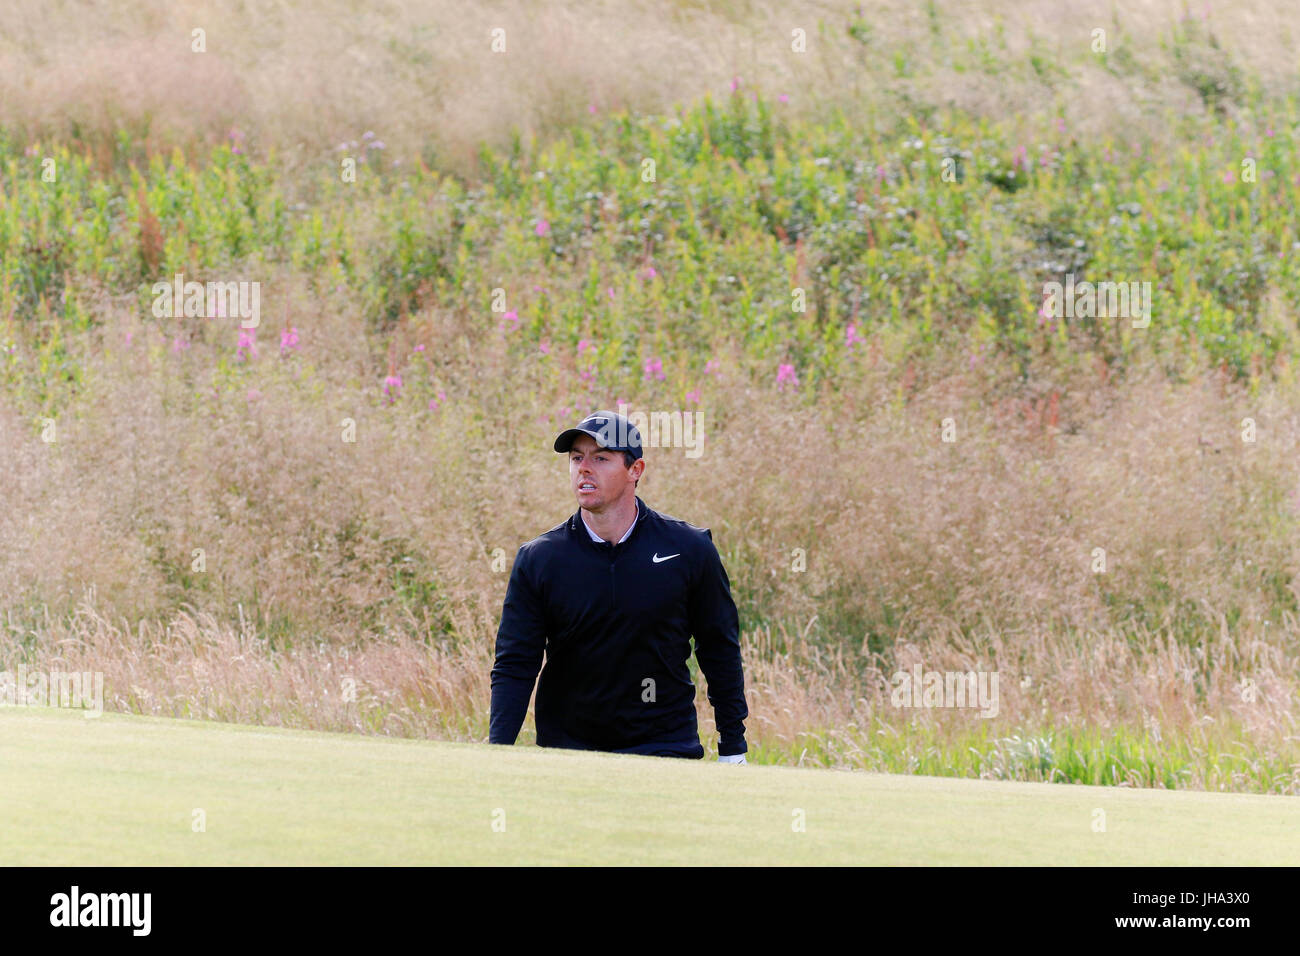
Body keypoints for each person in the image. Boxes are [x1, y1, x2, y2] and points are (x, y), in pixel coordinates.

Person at [489, 409, 750, 763]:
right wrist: (497, 752)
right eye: (577, 458)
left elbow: (719, 649)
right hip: (566, 753)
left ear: (635, 470)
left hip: (664, 749)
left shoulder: (689, 549)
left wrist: (733, 746)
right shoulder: (540, 559)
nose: (584, 468)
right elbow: (516, 663)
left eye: (601, 458)